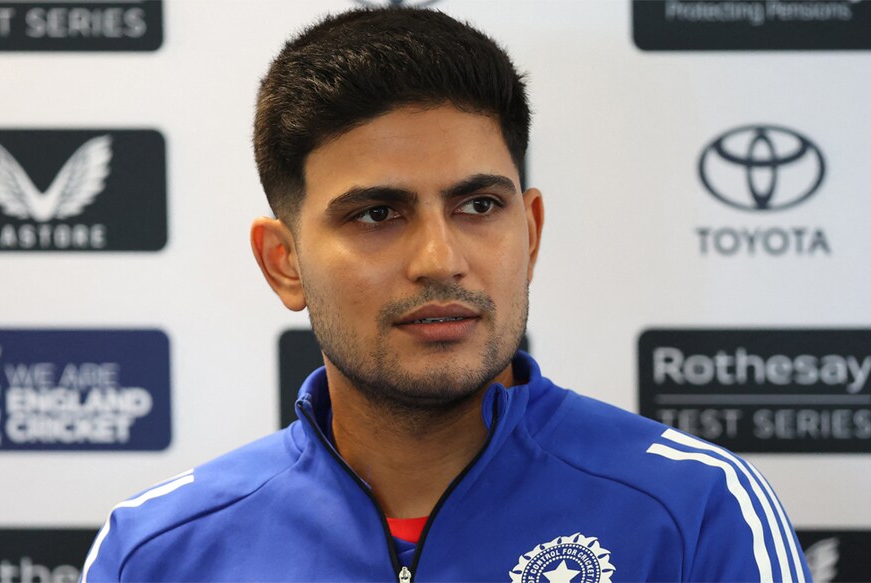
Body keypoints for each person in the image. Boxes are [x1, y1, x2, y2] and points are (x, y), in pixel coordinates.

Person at [81, 7, 811, 583]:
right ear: (284, 263)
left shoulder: (692, 509)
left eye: (478, 207)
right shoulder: (157, 551)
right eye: (377, 214)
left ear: (529, 232)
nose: (440, 259)